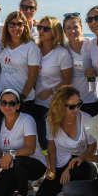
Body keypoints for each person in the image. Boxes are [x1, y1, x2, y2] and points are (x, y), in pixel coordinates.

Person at [34, 86, 97, 196]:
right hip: (60, 162)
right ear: (60, 106)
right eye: (72, 107)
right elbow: (51, 146)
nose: (77, 109)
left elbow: (92, 146)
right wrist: (52, 169)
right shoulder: (50, 120)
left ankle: (73, 190)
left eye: (79, 104)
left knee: (82, 169)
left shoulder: (87, 119)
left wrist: (78, 160)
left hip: (80, 162)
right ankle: (66, 189)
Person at [0, 89, 47, 196]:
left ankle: (23, 195)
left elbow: (30, 149)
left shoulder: (26, 120)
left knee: (19, 161)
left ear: (18, 106)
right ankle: (23, 184)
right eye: (4, 102)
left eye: (12, 103)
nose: (7, 106)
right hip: (13, 165)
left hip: (35, 164)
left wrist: (11, 154)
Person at [33, 16, 72, 148]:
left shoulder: (61, 53)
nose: (41, 31)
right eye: (39, 27)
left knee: (50, 141)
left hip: (52, 104)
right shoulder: (34, 50)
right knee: (38, 140)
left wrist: (51, 91)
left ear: (55, 32)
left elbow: (67, 81)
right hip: (33, 101)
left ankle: (52, 168)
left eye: (46, 29)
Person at [0, 11, 40, 115]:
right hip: (1, 97)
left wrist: (22, 97)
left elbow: (33, 76)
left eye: (19, 24)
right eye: (12, 24)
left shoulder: (31, 47)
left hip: (22, 99)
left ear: (24, 26)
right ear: (7, 26)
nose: (16, 27)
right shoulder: (2, 45)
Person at [63, 13, 98, 116]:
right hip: (71, 102)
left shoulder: (92, 44)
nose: (72, 31)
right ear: (64, 32)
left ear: (81, 28)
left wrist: (95, 71)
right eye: (68, 28)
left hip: (92, 100)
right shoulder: (63, 49)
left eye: (75, 27)